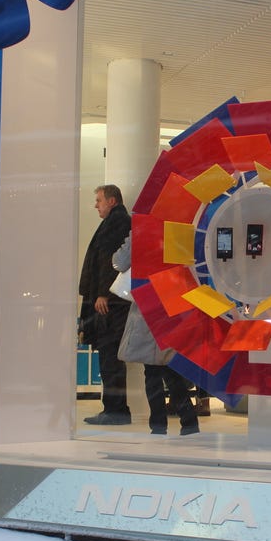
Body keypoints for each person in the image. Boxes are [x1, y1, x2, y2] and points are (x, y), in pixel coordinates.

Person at [112, 235, 199, 435]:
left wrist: (132, 240)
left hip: (149, 298)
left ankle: (160, 425)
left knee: (152, 370)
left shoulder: (142, 230)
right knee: (169, 368)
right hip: (175, 298)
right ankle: (188, 421)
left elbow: (119, 261)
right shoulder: (181, 226)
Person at [79, 184, 132, 425]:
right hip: (113, 300)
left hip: (111, 302)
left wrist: (103, 293)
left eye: (99, 200)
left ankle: (115, 410)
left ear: (112, 201)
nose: (96, 205)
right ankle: (114, 408)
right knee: (110, 356)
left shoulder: (117, 222)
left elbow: (110, 262)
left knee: (110, 356)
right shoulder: (116, 222)